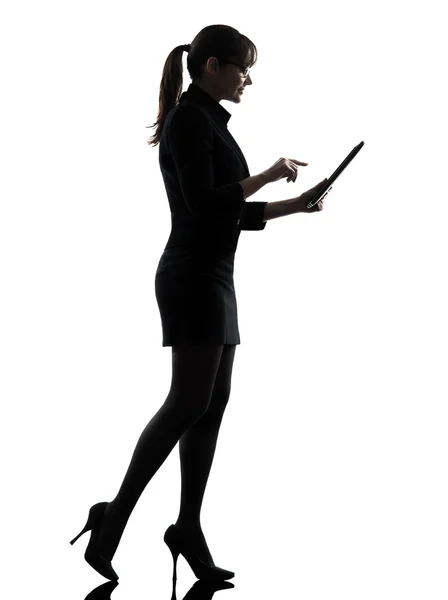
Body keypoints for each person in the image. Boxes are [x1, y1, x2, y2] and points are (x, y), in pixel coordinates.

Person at [69, 23, 327, 584]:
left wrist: (295, 203)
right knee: (187, 402)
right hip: (192, 278)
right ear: (211, 65)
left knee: (211, 406)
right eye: (242, 68)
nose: (247, 80)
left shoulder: (209, 121)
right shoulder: (190, 120)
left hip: (218, 277)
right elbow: (205, 205)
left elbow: (233, 213)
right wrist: (268, 174)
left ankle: (187, 525)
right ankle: (112, 517)